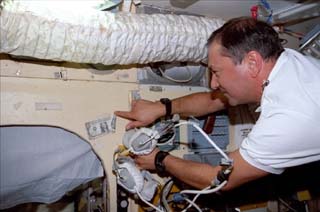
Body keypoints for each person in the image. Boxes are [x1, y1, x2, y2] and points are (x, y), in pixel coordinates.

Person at [115, 17, 320, 191]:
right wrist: (161, 108)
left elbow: (220, 178)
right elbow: (214, 101)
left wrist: (160, 160)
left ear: (252, 63)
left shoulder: (287, 120)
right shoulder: (288, 62)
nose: (213, 82)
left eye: (216, 72)